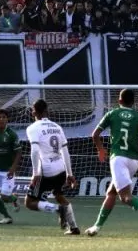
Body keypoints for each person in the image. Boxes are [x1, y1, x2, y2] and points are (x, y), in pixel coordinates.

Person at [85, 88, 138, 236]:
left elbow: (95, 134)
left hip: (118, 158)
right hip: (134, 161)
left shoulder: (112, 114)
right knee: (111, 193)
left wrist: (101, 149)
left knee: (125, 197)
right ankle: (97, 226)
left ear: (119, 101)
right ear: (133, 102)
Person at [25, 99, 80, 235]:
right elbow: (65, 151)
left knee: (29, 202)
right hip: (61, 169)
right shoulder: (57, 126)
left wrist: (36, 173)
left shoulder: (33, 128)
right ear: (47, 111)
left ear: (34, 112)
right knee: (59, 195)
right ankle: (74, 228)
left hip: (46, 170)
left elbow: (35, 150)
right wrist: (69, 173)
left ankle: (57, 209)